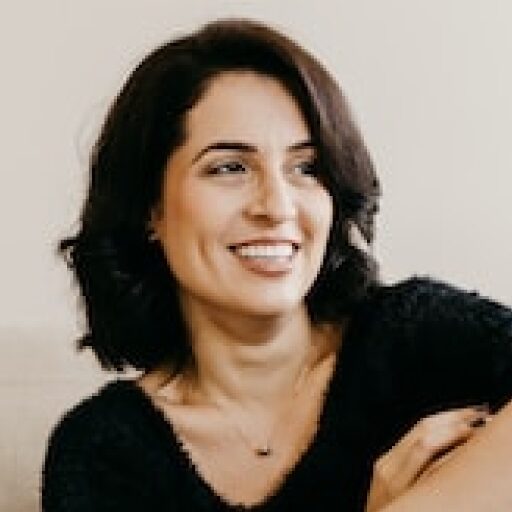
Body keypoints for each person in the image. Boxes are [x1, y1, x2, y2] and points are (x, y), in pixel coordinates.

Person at [41, 18, 512, 512]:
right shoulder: (104, 453)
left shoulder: (416, 338)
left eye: (306, 168)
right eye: (230, 168)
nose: (278, 206)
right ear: (149, 209)